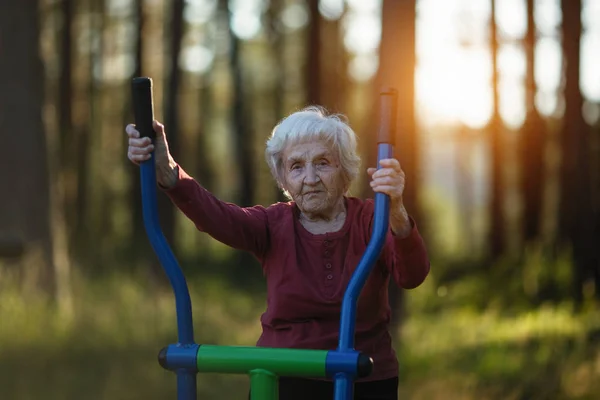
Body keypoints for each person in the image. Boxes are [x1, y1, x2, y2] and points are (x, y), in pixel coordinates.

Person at [125, 106, 430, 400]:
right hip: (284, 377)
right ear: (283, 179)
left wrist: (397, 212)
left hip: (363, 377)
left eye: (323, 163)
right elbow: (217, 216)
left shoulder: (371, 220)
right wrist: (168, 171)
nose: (310, 178)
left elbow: (412, 275)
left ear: (345, 170)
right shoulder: (272, 224)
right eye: (296, 167)